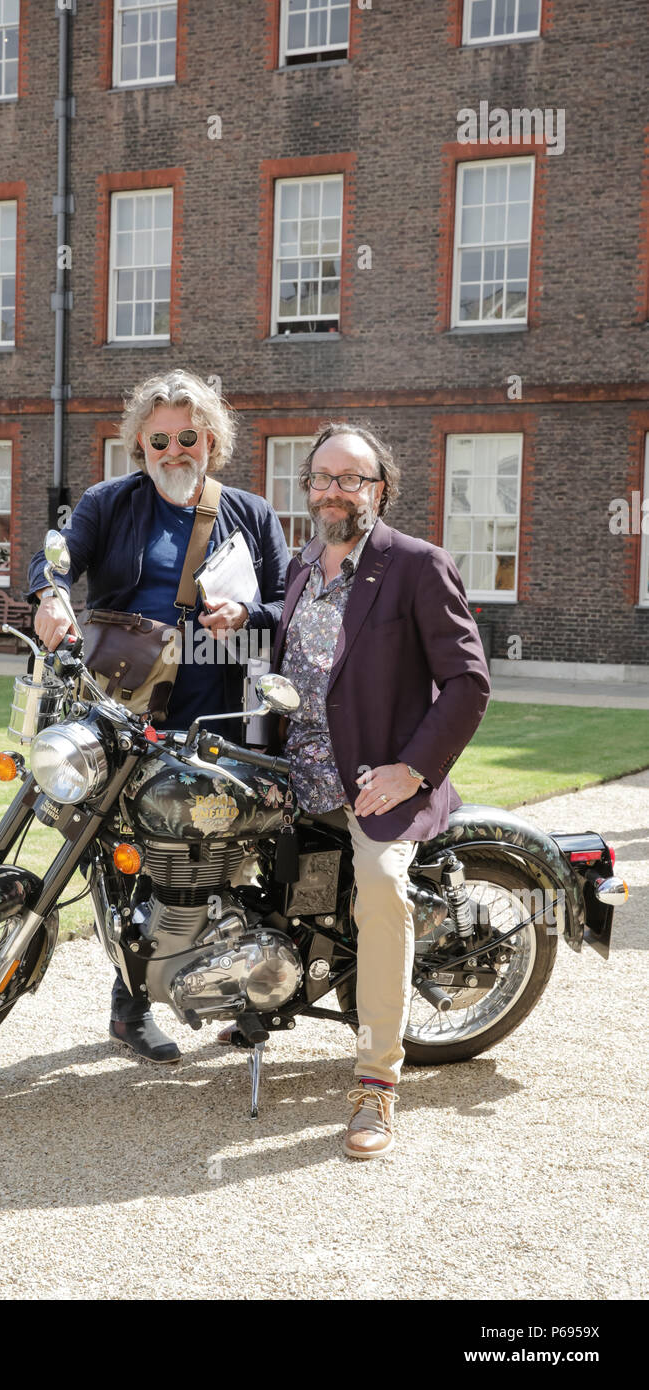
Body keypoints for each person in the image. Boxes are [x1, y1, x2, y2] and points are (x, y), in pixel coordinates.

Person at [28, 369, 288, 1064]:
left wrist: (248, 615)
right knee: (124, 862)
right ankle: (131, 1006)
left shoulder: (253, 514)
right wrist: (49, 597)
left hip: (218, 719)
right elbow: (57, 561)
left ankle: (243, 991)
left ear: (212, 440)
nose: (177, 450)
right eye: (161, 438)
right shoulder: (108, 503)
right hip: (119, 710)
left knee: (226, 856)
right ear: (140, 442)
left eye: (191, 436)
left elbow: (291, 604)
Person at [264, 422, 490, 1158]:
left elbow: (467, 683)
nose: (335, 490)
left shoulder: (418, 566)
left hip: (378, 781)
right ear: (308, 488)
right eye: (323, 478)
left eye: (351, 479)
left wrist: (411, 770)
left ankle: (376, 1082)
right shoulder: (301, 567)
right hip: (292, 773)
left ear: (379, 490)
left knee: (379, 886)